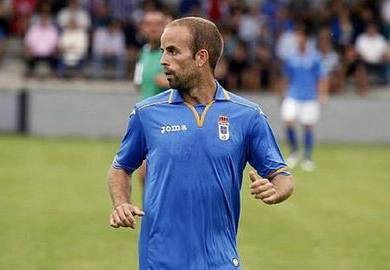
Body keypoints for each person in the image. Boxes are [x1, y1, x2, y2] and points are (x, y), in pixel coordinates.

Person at [108, 17, 294, 270]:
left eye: (173, 51)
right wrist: (121, 203)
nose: (163, 60)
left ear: (201, 57)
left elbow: (281, 175)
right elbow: (120, 167)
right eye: (163, 51)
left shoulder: (247, 115)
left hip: (220, 261)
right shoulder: (146, 113)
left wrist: (277, 190)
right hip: (159, 261)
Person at [280, 26, 328, 171]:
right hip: (293, 94)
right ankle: (294, 152)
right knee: (288, 121)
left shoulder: (315, 58)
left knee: (308, 125)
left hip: (309, 96)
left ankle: (307, 157)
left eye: (301, 37)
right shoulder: (291, 58)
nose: (299, 40)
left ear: (306, 40)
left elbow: (321, 78)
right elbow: (286, 77)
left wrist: (323, 94)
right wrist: (282, 92)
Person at [133, 9, 169, 185]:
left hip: (167, 120)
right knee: (145, 175)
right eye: (149, 24)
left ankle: (154, 210)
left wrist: (170, 83)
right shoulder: (144, 53)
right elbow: (138, 82)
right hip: (146, 120)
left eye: (158, 24)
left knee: (149, 173)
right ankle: (152, 211)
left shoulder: (171, 54)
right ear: (143, 28)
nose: (153, 28)